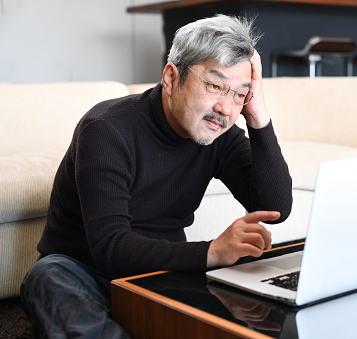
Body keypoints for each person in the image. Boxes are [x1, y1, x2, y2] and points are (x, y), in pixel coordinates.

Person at [21, 14, 292, 338]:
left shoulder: (219, 134)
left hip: (161, 272)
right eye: (215, 86)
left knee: (250, 314)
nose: (225, 108)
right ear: (170, 78)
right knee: (47, 277)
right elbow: (110, 248)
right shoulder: (106, 130)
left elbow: (276, 208)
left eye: (238, 94)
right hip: (85, 273)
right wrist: (212, 252)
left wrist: (258, 115)